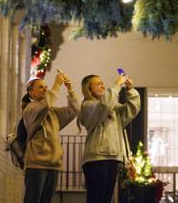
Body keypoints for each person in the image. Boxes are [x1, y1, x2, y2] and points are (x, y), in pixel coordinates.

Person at [78, 72, 141, 203]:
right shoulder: (87, 106)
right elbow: (104, 106)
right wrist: (117, 85)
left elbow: (131, 110)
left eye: (102, 83)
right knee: (96, 198)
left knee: (106, 199)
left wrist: (130, 91)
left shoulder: (112, 107)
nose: (102, 86)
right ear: (89, 89)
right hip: (96, 159)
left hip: (112, 158)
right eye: (98, 84)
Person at [22, 71, 80, 203]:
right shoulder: (30, 109)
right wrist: (56, 85)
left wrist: (70, 89)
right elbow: (45, 105)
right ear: (31, 93)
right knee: (33, 199)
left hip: (53, 163)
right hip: (37, 163)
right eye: (41, 87)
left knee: (46, 200)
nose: (45, 89)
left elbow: (74, 109)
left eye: (46, 87)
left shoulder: (53, 112)